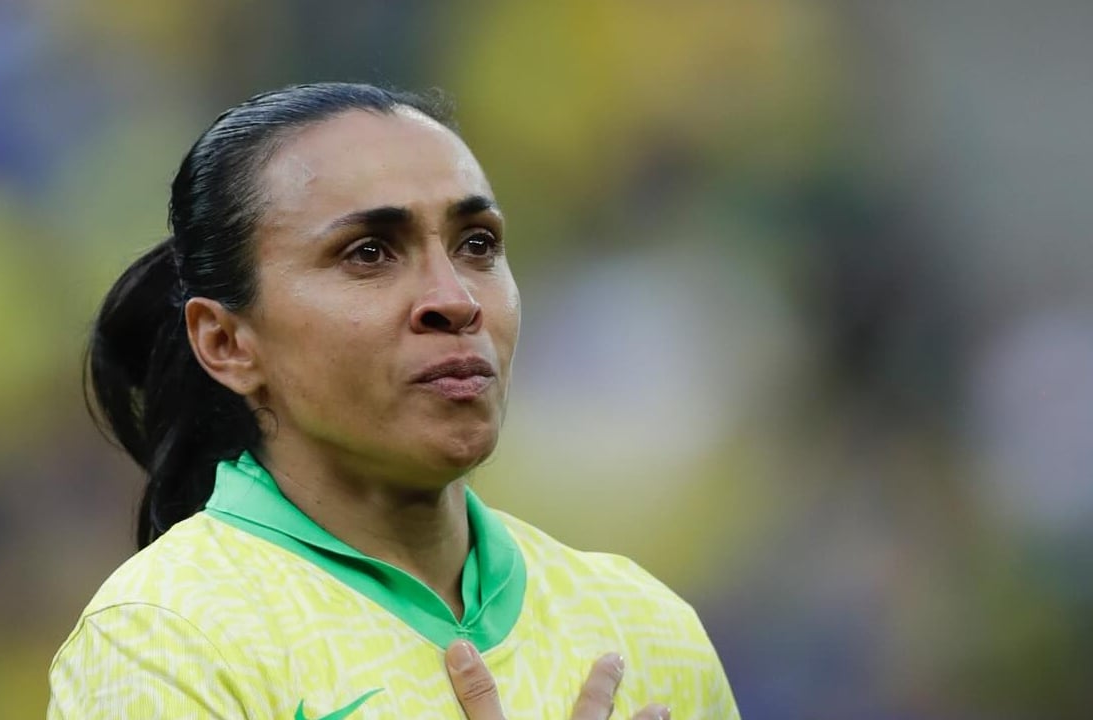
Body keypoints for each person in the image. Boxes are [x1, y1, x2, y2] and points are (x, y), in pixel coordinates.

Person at [47, 82, 740, 719]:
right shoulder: (165, 640)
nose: (455, 301)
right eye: (369, 253)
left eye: (477, 244)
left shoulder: (646, 631)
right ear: (227, 342)